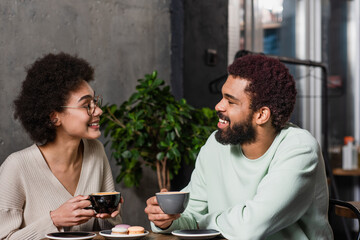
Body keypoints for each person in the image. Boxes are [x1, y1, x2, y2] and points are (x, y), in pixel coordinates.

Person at [144, 54, 333, 239]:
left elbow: (250, 228)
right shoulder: (216, 145)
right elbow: (191, 215)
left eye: (231, 101)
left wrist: (201, 223)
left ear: (261, 115)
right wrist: (167, 220)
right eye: (222, 98)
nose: (218, 106)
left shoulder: (299, 149)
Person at [0, 52, 122, 239]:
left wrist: (107, 213)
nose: (98, 111)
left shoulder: (96, 152)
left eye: (95, 102)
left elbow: (110, 231)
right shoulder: (17, 166)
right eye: (86, 105)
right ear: (54, 116)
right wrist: (54, 220)